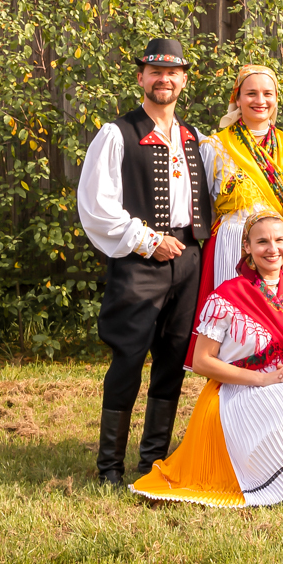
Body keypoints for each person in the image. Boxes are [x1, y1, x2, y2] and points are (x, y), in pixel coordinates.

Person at [131, 213, 283, 506]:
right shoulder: (227, 296)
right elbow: (201, 362)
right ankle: (271, 473)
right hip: (238, 392)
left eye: (279, 240)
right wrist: (263, 379)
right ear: (247, 246)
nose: (272, 249)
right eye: (262, 242)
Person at [76, 38, 214, 486]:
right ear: (141, 78)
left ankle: (152, 461)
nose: (164, 80)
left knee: (173, 359)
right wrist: (147, 240)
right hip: (139, 258)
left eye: (173, 73)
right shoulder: (117, 134)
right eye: (155, 72)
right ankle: (109, 468)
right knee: (128, 357)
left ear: (184, 81)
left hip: (188, 259)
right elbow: (96, 206)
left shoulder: (195, 138)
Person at [196, 64, 283, 304]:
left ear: (276, 98)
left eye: (267, 93)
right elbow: (202, 207)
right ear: (237, 99)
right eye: (251, 93)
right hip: (230, 243)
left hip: (275, 249)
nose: (260, 100)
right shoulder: (215, 146)